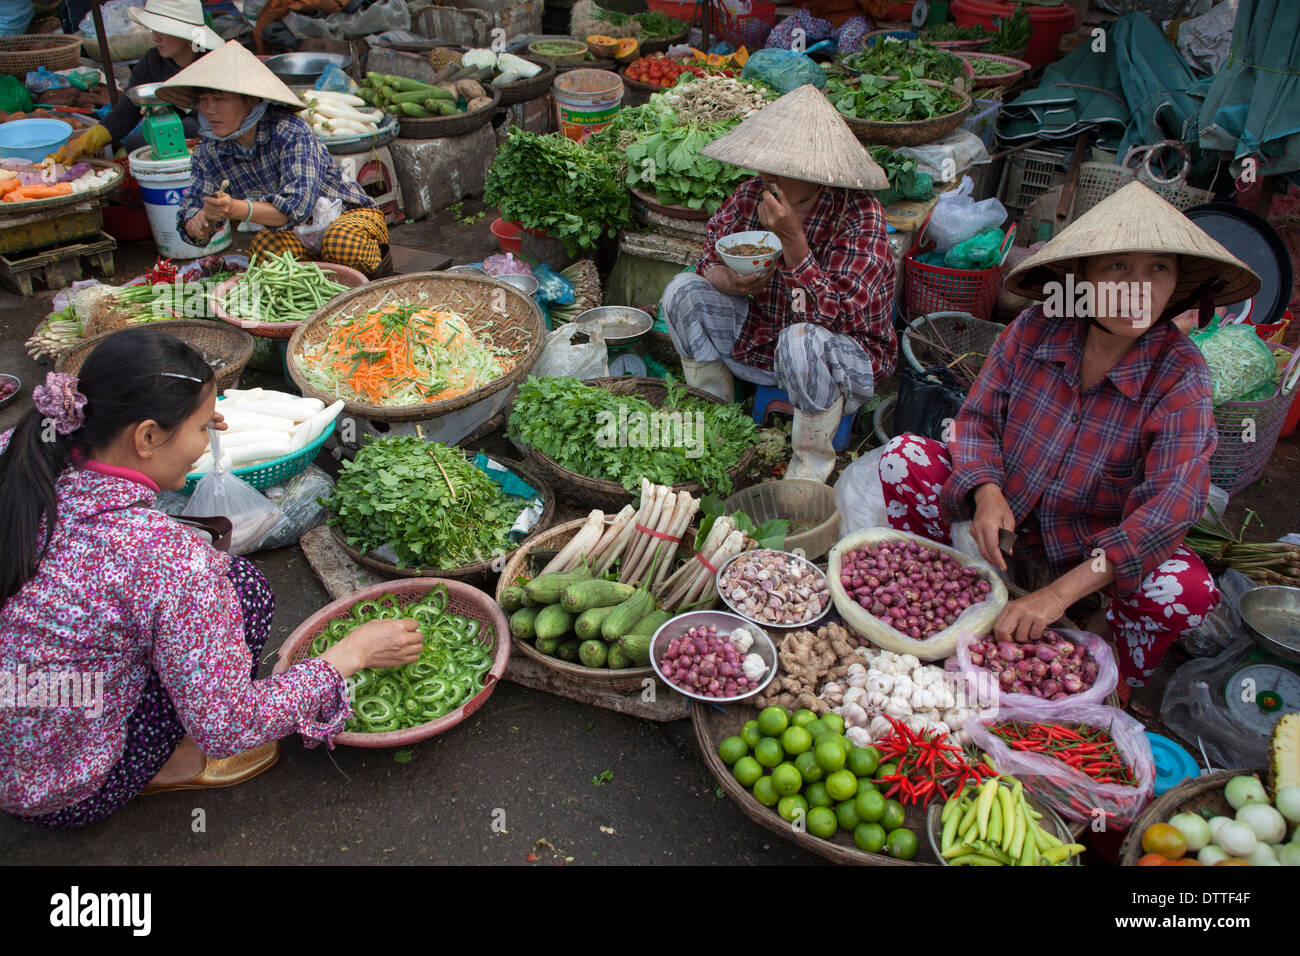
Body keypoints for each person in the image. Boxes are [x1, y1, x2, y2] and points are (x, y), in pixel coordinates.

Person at [0, 329, 423, 828]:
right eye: (202, 429)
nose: (207, 443)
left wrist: (188, 426)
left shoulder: (20, 457)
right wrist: (353, 653)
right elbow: (230, 725)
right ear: (147, 437)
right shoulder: (164, 558)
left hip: (19, 744)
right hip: (65, 788)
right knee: (243, 588)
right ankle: (172, 763)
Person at [877, 182, 1261, 692]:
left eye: (1159, 269)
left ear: (1179, 286)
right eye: (1118, 267)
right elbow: (976, 421)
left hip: (1091, 558)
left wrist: (1059, 596)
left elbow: (1170, 507)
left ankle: (1108, 665)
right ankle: (942, 589)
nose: (1139, 288)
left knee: (1185, 589)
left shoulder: (1180, 374)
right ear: (1083, 278)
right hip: (1005, 529)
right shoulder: (1038, 328)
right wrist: (987, 492)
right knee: (904, 456)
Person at [661, 84, 896, 483]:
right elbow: (708, 257)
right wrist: (730, 282)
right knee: (681, 292)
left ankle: (809, 468)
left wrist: (793, 240)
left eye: (785, 171)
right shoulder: (751, 194)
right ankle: (717, 425)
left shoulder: (859, 215)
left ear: (819, 175)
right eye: (767, 166)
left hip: (841, 360)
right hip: (759, 338)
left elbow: (836, 319)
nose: (768, 177)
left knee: (801, 339)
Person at [157, 40, 389, 276]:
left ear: (251, 99)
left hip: (347, 215)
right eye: (203, 101)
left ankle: (370, 286)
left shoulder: (290, 132)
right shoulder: (210, 152)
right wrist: (199, 222)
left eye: (219, 99)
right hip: (293, 233)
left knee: (342, 244)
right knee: (264, 253)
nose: (209, 110)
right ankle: (316, 291)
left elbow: (295, 208)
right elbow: (191, 210)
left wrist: (235, 208)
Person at [52, 0, 223, 164]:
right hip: (177, 140)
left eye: (163, 30)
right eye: (153, 29)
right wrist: (85, 142)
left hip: (220, 138)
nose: (155, 37)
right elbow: (125, 113)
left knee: (189, 126)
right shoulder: (153, 62)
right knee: (136, 140)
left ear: (186, 33)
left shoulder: (216, 61)